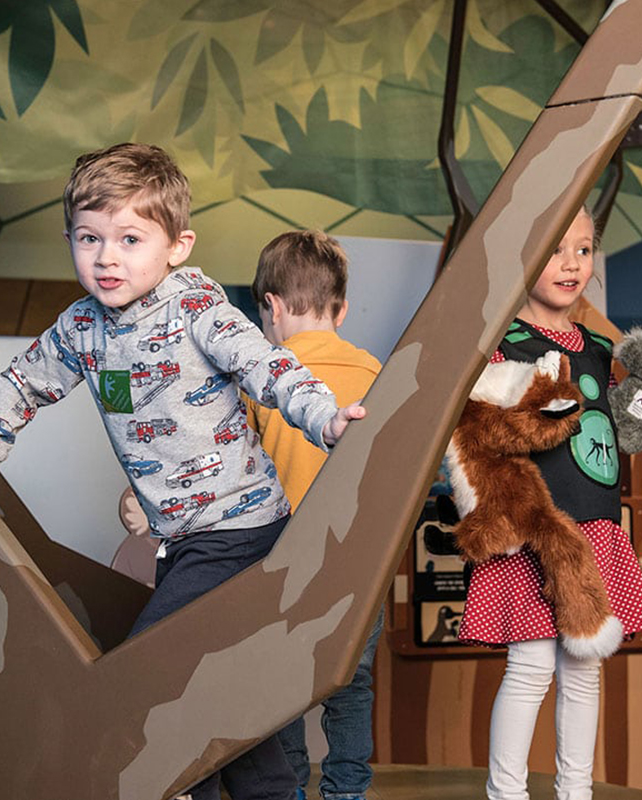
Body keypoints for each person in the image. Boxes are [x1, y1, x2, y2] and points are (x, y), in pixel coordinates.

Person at [0, 143, 364, 800]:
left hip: (242, 534)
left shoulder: (196, 310)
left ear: (177, 245)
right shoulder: (81, 329)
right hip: (181, 543)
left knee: (145, 674)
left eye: (130, 238)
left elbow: (267, 367)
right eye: (89, 238)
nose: (107, 257)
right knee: (241, 710)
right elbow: (23, 383)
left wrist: (325, 417)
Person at [457, 206, 642, 800]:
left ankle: (575, 792)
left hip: (598, 529)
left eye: (583, 250)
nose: (571, 264)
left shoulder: (596, 346)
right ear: (524, 256)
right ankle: (505, 793)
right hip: (536, 529)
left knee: (584, 672)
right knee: (531, 667)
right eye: (556, 249)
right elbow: (478, 434)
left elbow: (617, 424)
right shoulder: (499, 342)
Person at [246, 230, 383, 800]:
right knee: (351, 684)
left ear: (270, 309)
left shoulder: (261, 376)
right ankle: (348, 791)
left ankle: (290, 789)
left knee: (282, 687)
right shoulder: (378, 373)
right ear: (343, 309)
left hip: (279, 562)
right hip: (358, 562)